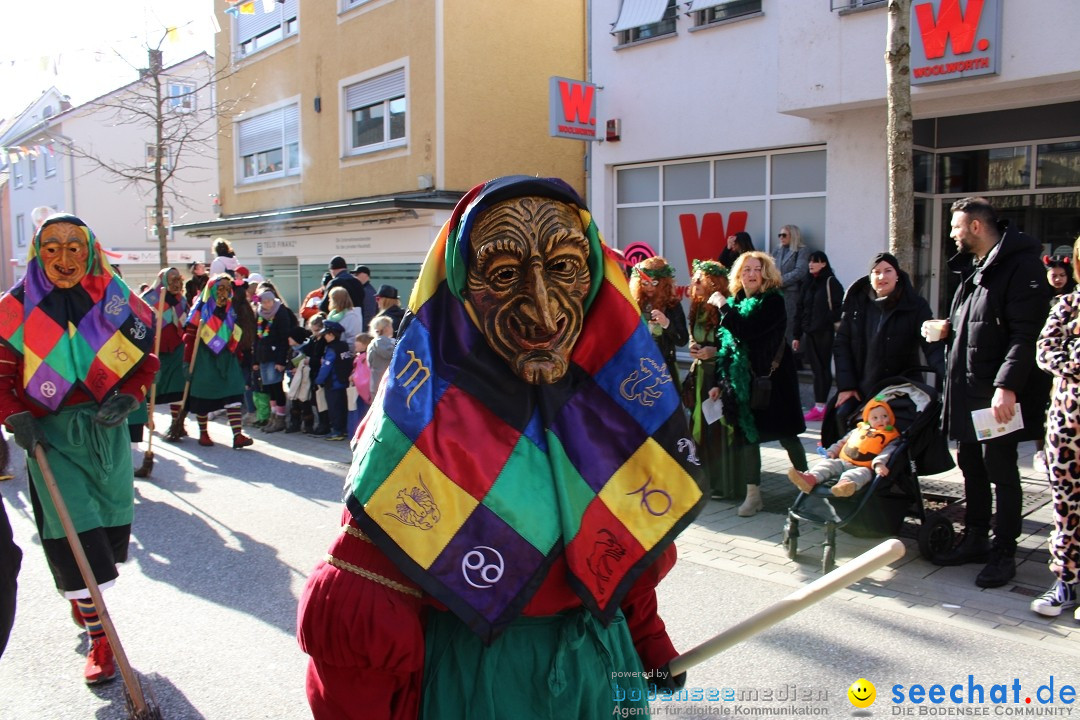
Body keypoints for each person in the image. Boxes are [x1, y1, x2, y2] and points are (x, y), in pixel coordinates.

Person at [296, 175, 704, 720]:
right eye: (505, 274)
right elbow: (361, 636)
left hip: (602, 674)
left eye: (563, 267)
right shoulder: (423, 422)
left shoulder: (606, 411)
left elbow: (618, 550)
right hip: (482, 685)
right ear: (462, 288)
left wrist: (649, 645)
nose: (542, 310)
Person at [0, 214, 158, 685]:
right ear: (36, 252)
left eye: (74, 247)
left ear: (90, 250)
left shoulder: (114, 300)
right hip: (50, 438)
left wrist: (132, 395)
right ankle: (101, 639)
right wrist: (14, 414)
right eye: (52, 248)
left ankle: (83, 600)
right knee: (77, 536)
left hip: (105, 432)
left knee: (106, 531)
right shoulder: (13, 308)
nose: (64, 259)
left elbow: (143, 362)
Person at [927, 197, 1051, 588]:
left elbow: (1025, 333)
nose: (951, 234)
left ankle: (1004, 552)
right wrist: (950, 329)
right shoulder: (976, 266)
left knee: (1000, 470)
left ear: (976, 227)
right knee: (972, 468)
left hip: (995, 395)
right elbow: (981, 322)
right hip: (968, 390)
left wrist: (1007, 386)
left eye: (955, 227)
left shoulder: (1021, 265)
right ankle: (976, 538)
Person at [710, 251, 807, 515]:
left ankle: (809, 485)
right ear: (739, 275)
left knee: (787, 435)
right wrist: (719, 381)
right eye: (746, 270)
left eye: (757, 269)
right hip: (745, 383)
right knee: (748, 438)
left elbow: (746, 330)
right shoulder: (737, 301)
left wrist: (723, 306)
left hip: (774, 382)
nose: (752, 274)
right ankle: (753, 495)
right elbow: (728, 347)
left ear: (766, 274)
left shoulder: (773, 301)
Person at [831, 252, 945, 441]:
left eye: (888, 271)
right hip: (863, 387)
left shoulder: (915, 305)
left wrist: (948, 378)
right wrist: (846, 386)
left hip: (901, 388)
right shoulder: (857, 304)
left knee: (893, 441)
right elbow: (841, 345)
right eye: (876, 272)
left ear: (897, 274)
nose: (882, 277)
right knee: (844, 424)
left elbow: (931, 345)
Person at [1031, 235, 1080, 617]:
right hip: (1067, 427)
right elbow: (1046, 352)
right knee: (1065, 508)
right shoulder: (1067, 305)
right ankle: (1066, 581)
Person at [177, 274, 255, 449]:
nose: (224, 292)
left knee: (233, 392)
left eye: (228, 289)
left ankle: (237, 435)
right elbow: (190, 337)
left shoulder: (231, 309)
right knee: (203, 395)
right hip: (204, 358)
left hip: (227, 357)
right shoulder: (200, 309)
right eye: (221, 288)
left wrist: (239, 354)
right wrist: (187, 362)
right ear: (212, 290)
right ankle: (204, 433)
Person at [681, 259, 729, 494]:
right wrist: (694, 347)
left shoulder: (725, 307)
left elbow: (734, 346)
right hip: (700, 373)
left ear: (715, 283)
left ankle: (720, 482)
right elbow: (692, 334)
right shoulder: (697, 306)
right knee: (697, 424)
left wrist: (715, 352)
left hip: (718, 375)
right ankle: (700, 480)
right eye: (695, 277)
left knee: (716, 427)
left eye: (701, 278)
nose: (695, 282)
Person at [788, 397, 899, 497]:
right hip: (842, 462)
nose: (880, 420)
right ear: (867, 420)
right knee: (828, 464)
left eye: (884, 416)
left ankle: (844, 486)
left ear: (890, 417)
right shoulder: (858, 430)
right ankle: (811, 478)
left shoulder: (891, 436)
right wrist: (832, 451)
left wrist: (879, 464)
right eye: (875, 418)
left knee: (857, 475)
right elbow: (842, 442)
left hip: (866, 467)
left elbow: (887, 452)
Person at [793, 250, 844, 422]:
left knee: (822, 369)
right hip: (809, 332)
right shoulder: (807, 283)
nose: (811, 264)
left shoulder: (831, 282)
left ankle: (821, 406)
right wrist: (796, 335)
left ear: (824, 264)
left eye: (815, 261)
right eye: (810, 261)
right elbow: (800, 309)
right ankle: (818, 405)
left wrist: (826, 321)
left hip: (825, 332)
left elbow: (839, 307)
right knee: (816, 370)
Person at [139, 268, 189, 440]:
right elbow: (140, 318)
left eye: (178, 279)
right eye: (172, 279)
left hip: (176, 346)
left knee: (177, 383)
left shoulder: (181, 300)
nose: (176, 282)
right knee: (154, 383)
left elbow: (186, 320)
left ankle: (177, 422)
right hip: (155, 347)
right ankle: (148, 416)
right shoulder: (150, 297)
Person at [628, 256, 688, 385]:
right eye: (645, 283)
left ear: (663, 283)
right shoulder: (635, 303)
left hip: (664, 369)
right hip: (639, 368)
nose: (649, 287)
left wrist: (667, 323)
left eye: (654, 283)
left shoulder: (672, 305)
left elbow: (682, 339)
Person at [253, 289, 298, 434]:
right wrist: (255, 359)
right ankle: (273, 415)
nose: (267, 304)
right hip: (263, 354)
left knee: (277, 386)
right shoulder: (259, 313)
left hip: (275, 354)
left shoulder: (280, 312)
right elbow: (256, 337)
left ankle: (280, 417)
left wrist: (281, 360)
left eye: (270, 301)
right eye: (264, 302)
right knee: (269, 387)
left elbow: (283, 338)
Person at [772, 225, 809, 355]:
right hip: (776, 292)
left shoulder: (801, 251)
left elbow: (800, 271)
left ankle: (794, 354)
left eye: (784, 235)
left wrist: (780, 280)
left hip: (792, 293)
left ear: (793, 236)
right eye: (780, 235)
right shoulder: (777, 250)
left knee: (791, 323)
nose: (781, 238)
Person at [314, 320, 351, 441]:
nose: (324, 336)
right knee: (343, 406)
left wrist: (318, 380)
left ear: (331, 335)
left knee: (334, 408)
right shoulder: (344, 346)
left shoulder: (331, 349)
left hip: (333, 383)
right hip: (344, 382)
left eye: (326, 334)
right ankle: (344, 429)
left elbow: (326, 366)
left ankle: (337, 431)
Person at [348, 333, 373, 437]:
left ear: (365, 344)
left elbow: (365, 374)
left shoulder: (364, 358)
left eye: (358, 341)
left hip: (362, 390)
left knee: (361, 413)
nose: (355, 343)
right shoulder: (360, 357)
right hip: (360, 389)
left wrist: (354, 377)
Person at [366, 315, 396, 398]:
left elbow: (370, 362)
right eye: (391, 326)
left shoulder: (373, 343)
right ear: (386, 328)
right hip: (385, 383)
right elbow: (390, 354)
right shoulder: (382, 342)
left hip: (377, 382)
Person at [351, 264, 380, 328]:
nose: (354, 277)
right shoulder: (363, 290)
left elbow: (369, 315)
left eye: (357, 274)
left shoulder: (368, 291)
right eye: (354, 275)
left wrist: (362, 330)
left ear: (366, 276)